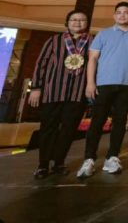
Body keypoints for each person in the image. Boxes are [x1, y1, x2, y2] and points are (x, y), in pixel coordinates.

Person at [77, 2, 128, 178]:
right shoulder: (103, 34)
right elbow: (92, 60)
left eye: (126, 13)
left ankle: (112, 157)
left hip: (126, 85)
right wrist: (91, 83)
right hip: (103, 84)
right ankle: (89, 159)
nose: (122, 15)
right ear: (114, 16)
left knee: (120, 122)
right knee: (97, 122)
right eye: (118, 13)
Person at [29, 10, 92, 179]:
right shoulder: (54, 40)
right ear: (67, 22)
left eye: (81, 20)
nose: (77, 22)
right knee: (47, 129)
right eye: (74, 19)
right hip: (52, 93)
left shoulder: (92, 42)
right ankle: (42, 165)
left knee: (68, 130)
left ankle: (59, 162)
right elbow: (41, 64)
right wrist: (36, 88)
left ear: (87, 23)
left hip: (77, 94)